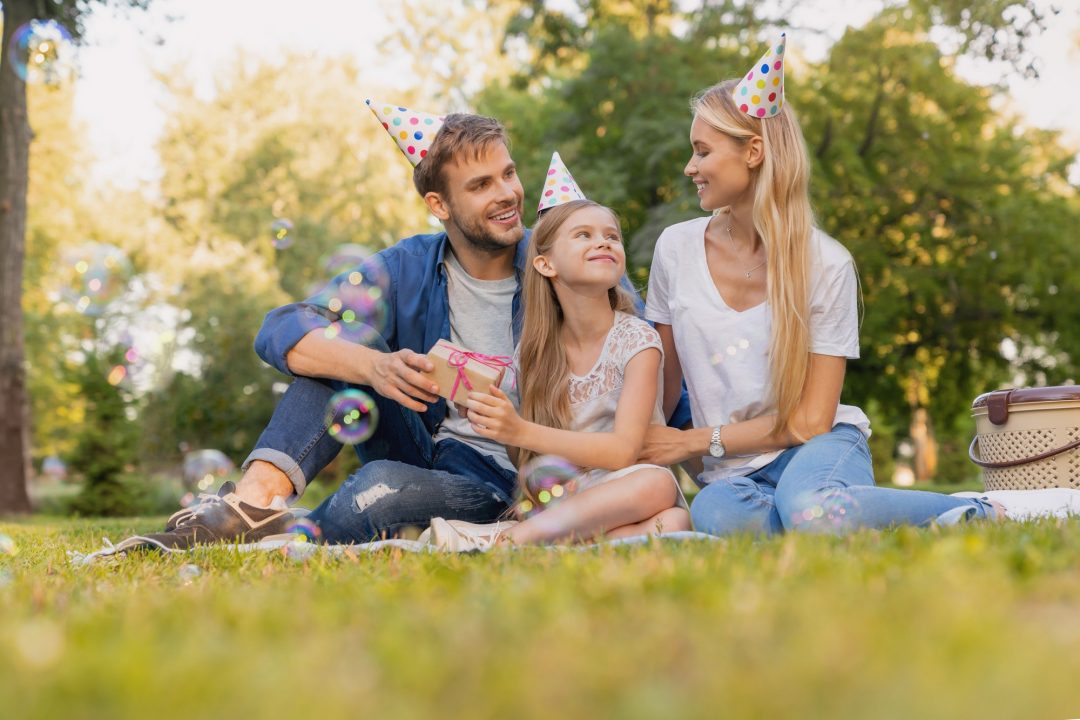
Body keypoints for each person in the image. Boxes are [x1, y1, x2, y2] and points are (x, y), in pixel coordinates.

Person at [144, 104, 689, 549]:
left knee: (379, 489)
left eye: (508, 173)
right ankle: (255, 502)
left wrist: (713, 459)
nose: (506, 194)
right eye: (480, 185)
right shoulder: (408, 265)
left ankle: (295, 530)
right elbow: (282, 327)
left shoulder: (561, 262)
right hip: (417, 441)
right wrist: (374, 366)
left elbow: (639, 368)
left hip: (500, 477)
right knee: (339, 346)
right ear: (439, 204)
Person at [638, 34, 1002, 535]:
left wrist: (692, 442)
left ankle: (981, 510)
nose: (690, 167)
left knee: (808, 505)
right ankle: (842, 516)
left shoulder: (826, 263)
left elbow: (810, 421)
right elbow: (663, 388)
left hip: (818, 447)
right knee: (718, 516)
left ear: (754, 152)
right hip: (732, 474)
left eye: (702, 151)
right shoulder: (674, 249)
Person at [418, 158, 689, 550]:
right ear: (545, 264)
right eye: (583, 235)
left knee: (665, 496)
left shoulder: (637, 341)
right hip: (565, 496)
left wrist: (519, 429)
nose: (603, 242)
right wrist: (494, 419)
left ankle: (504, 541)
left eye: (612, 236)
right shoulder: (534, 353)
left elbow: (623, 451)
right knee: (668, 517)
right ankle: (538, 540)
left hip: (624, 486)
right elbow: (529, 459)